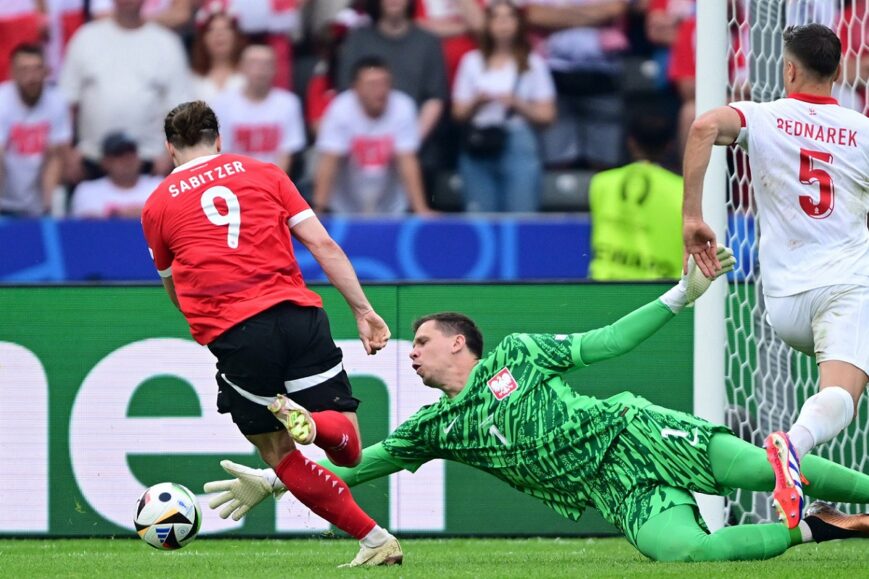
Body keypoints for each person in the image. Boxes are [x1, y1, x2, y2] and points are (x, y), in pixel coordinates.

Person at [205, 245, 869, 562]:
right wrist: (272, 476)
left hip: (633, 432)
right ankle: (815, 527)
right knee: (685, 556)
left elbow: (604, 343)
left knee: (765, 468)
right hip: (612, 487)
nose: (411, 352)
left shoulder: (519, 351)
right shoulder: (434, 426)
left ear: (460, 343)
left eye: (423, 341)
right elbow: (358, 464)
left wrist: (681, 293)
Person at [140, 100, 402, 567]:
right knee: (349, 450)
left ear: (169, 148)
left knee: (279, 454)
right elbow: (322, 243)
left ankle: (374, 537)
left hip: (239, 331)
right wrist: (363, 310)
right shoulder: (266, 173)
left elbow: (174, 287)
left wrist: (207, 324)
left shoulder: (158, 204)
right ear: (218, 139)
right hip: (299, 316)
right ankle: (319, 432)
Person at [681, 24, 869, 529]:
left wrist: (692, 218)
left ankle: (840, 517)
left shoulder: (763, 118)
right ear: (837, 72)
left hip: (784, 304)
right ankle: (792, 444)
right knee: (842, 396)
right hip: (847, 286)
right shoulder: (862, 130)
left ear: (788, 69)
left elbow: (701, 128)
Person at [59, 0, 190, 182]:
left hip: (149, 165)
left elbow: (180, 109)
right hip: (91, 162)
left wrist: (170, 156)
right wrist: (68, 154)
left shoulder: (167, 43)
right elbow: (65, 103)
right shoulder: (86, 38)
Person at [452, 0, 555, 213]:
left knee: (521, 215)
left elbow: (548, 115)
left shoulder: (533, 63)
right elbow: (458, 113)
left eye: (508, 17)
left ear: (518, 24)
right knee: (480, 217)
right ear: (488, 24)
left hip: (517, 139)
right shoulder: (471, 61)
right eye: (496, 18)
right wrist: (477, 102)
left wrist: (518, 103)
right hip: (479, 139)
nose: (502, 24)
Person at [312, 56, 431, 215]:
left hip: (391, 205)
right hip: (346, 204)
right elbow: (329, 161)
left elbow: (407, 160)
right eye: (372, 85)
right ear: (356, 88)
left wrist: (421, 209)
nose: (379, 91)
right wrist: (319, 209)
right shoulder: (340, 108)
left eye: (384, 83)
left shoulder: (403, 106)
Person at [588, 114, 682, 280]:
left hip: (603, 285)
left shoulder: (600, 183)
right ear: (669, 146)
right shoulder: (683, 190)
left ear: (630, 141)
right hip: (660, 291)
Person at [0, 43, 71, 217]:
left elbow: (56, 155)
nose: (31, 77)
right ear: (13, 73)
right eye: (24, 70)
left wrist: (49, 205)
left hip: (38, 197)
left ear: (46, 71)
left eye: (37, 69)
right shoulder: (2, 102)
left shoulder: (57, 101)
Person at [211, 44, 305, 175]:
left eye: (267, 64)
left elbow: (286, 153)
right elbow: (222, 152)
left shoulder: (288, 103)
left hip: (275, 182)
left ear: (275, 69)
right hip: (234, 180)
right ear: (241, 68)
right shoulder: (222, 103)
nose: (260, 69)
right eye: (253, 63)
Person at [70, 132, 162, 218]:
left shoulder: (159, 186)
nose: (127, 160)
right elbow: (85, 227)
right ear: (105, 162)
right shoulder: (86, 191)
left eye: (131, 154)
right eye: (119, 156)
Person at [189, 4, 247, 104]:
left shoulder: (249, 75)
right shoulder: (190, 79)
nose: (219, 34)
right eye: (211, 30)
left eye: (226, 29)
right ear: (203, 39)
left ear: (236, 37)